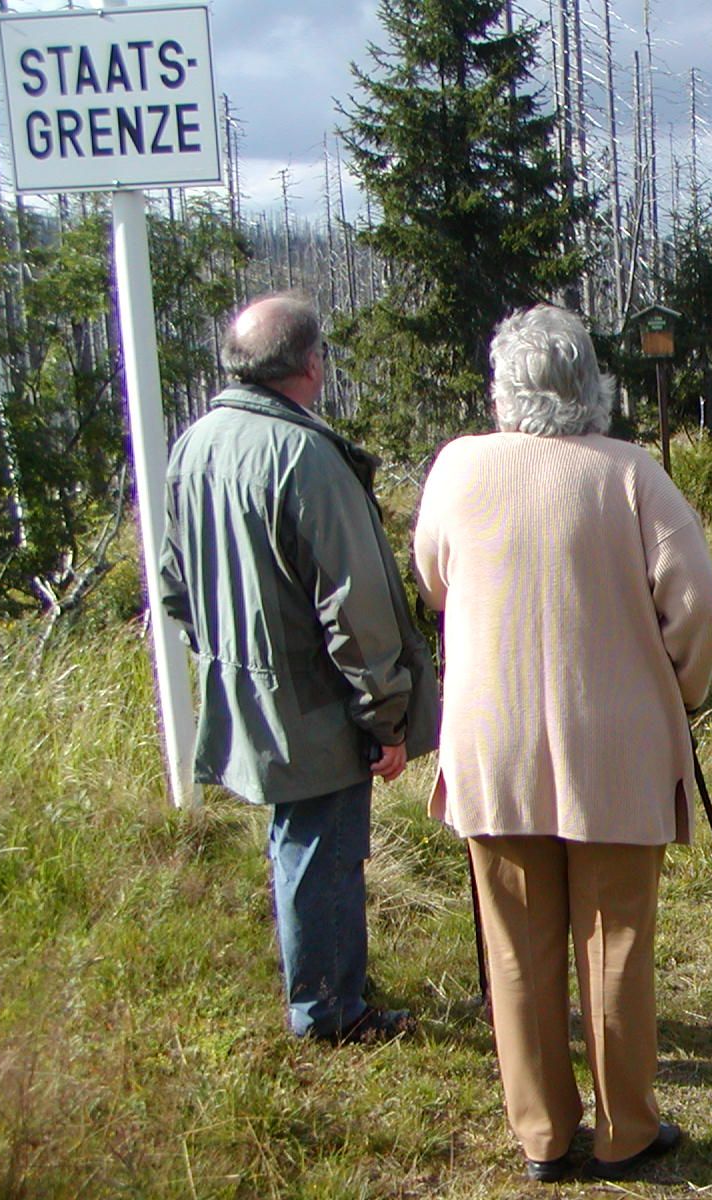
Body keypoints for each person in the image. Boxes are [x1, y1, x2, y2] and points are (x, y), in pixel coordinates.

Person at [412, 304, 712, 1183]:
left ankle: (544, 1135)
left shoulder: (458, 467)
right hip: (616, 742)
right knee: (614, 941)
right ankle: (627, 1132)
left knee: (516, 944)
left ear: (505, 388)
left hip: (494, 744)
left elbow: (434, 580)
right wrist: (680, 689)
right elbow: (696, 604)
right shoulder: (632, 473)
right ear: (592, 383)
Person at [160, 292, 439, 1045]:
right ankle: (329, 1013)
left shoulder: (196, 442)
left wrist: (224, 658)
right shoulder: (304, 455)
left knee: (304, 842)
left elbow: (172, 584)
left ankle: (330, 985)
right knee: (323, 848)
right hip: (314, 700)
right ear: (312, 364)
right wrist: (386, 714)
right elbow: (355, 606)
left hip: (248, 686)